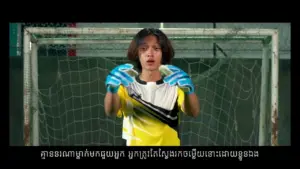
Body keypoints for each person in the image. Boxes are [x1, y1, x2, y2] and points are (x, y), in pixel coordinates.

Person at [104, 28, 200, 146]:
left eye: (156, 48)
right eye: (143, 48)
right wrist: (111, 90)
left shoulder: (175, 85)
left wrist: (189, 91)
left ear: (163, 53)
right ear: (137, 53)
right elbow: (111, 112)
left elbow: (193, 112)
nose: (150, 53)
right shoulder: (125, 86)